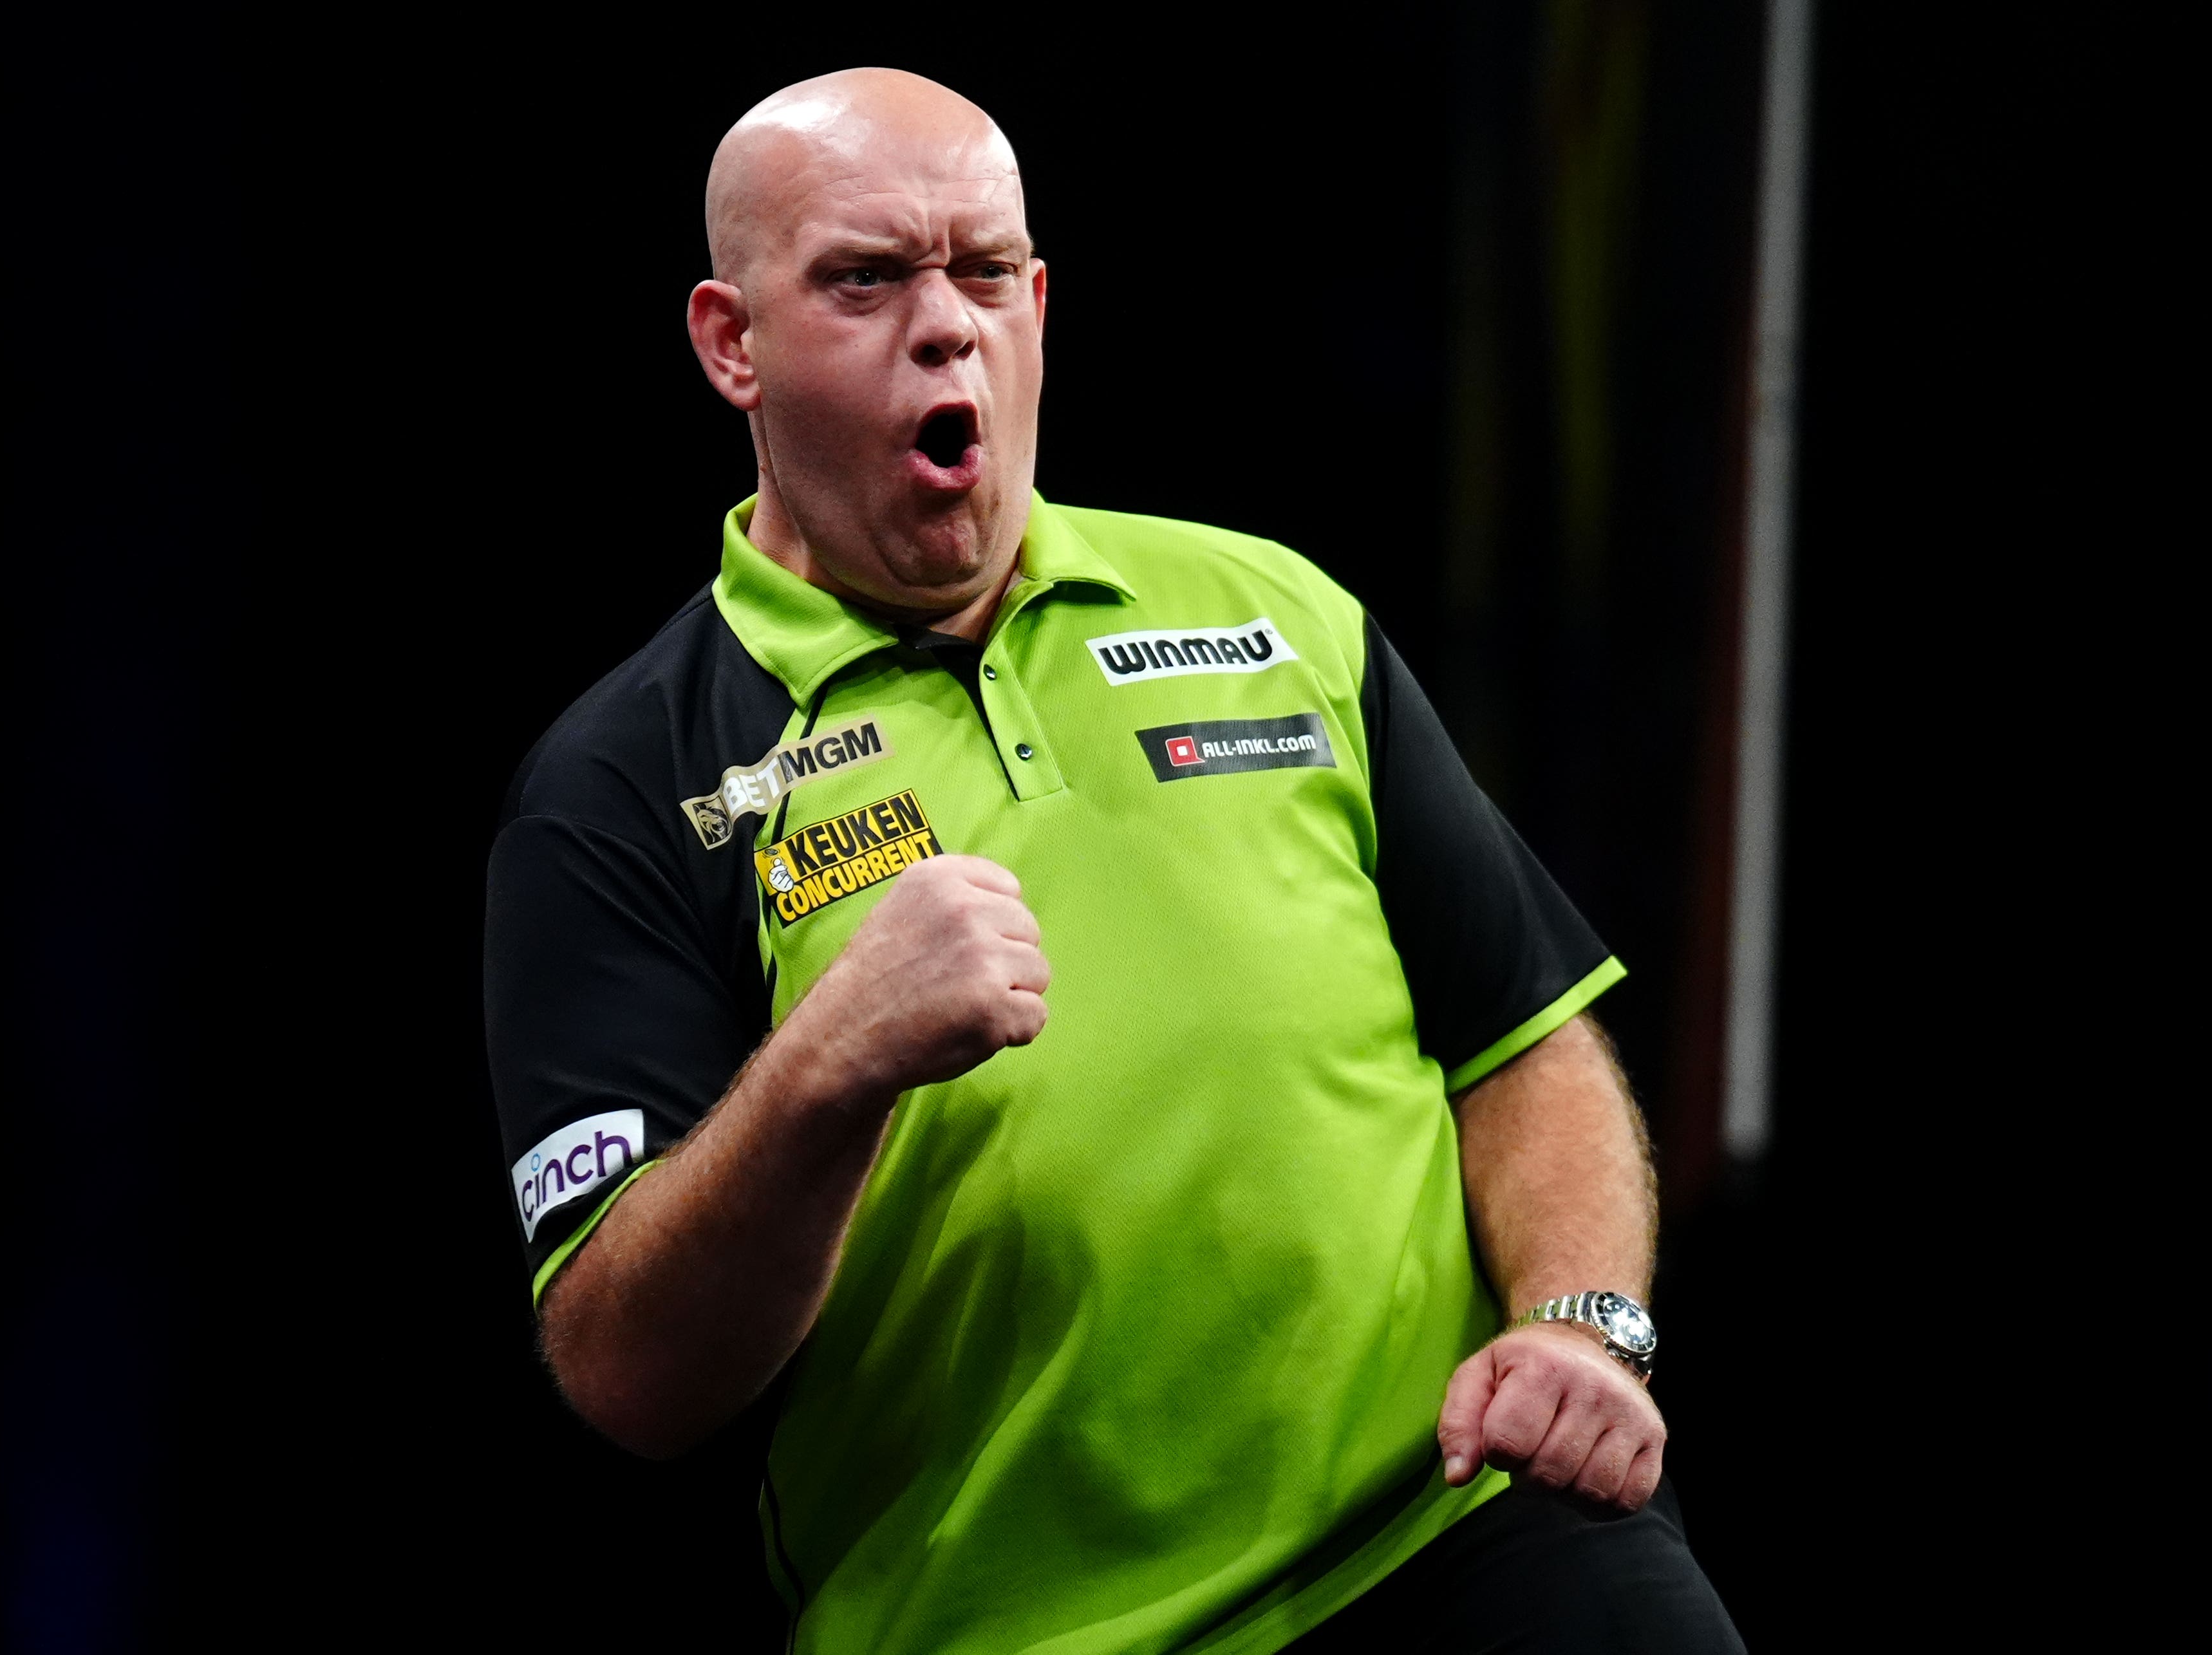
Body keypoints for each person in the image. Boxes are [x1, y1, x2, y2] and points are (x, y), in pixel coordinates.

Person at [483, 68, 1742, 1653]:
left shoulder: (1272, 609)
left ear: (1041, 298)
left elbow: (1524, 1034)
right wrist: (828, 1066)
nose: (947, 328)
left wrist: (1584, 1326)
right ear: (732, 342)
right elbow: (625, 1369)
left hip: (1465, 1522)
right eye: (866, 280)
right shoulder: (620, 787)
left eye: (986, 272)